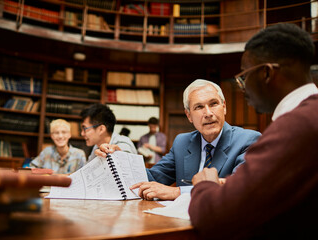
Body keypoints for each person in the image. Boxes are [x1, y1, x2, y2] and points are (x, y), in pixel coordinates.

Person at [188, 23, 318, 240]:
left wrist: (204, 185)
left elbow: (216, 218)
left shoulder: (296, 127)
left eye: (244, 77)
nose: (243, 88)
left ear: (266, 73)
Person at [98, 79, 261, 200]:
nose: (208, 113)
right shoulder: (182, 142)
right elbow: (152, 177)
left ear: (224, 106)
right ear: (189, 115)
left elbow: (240, 188)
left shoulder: (248, 140)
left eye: (213, 104)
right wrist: (121, 159)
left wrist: (177, 192)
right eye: (199, 107)